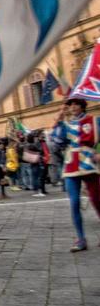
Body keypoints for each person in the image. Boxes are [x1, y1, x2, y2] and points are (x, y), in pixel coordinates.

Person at [50, 95, 99, 252]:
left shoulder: (94, 120)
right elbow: (56, 141)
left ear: (82, 106)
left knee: (97, 201)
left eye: (76, 104)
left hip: (88, 163)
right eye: (71, 104)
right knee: (74, 203)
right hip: (71, 165)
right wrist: (59, 117)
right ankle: (81, 238)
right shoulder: (66, 124)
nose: (73, 107)